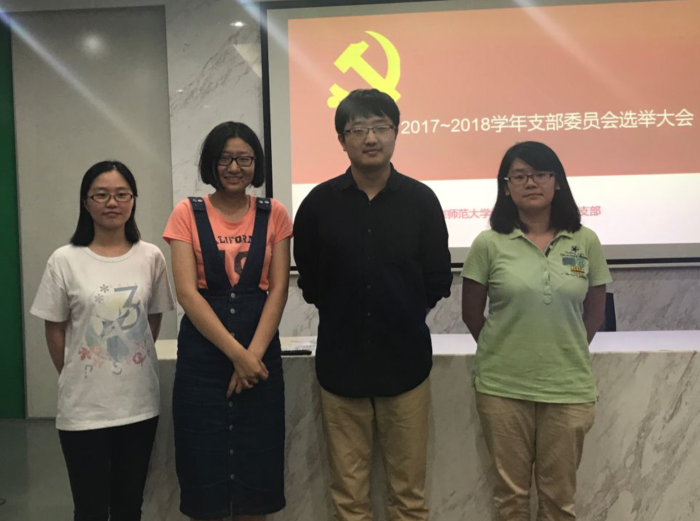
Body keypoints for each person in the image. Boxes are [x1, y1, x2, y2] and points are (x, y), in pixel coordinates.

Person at [293, 88, 452, 521]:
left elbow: (438, 277)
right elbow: (310, 279)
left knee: (408, 496)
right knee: (349, 497)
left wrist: (402, 310)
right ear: (341, 140)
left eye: (380, 127)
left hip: (405, 366)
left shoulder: (421, 201)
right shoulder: (318, 204)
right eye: (358, 129)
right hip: (341, 367)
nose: (370, 138)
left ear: (396, 133)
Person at [461, 141, 612, 521]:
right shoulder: (488, 243)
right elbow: (471, 314)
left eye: (540, 174)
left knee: (559, 501)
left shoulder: (585, 241)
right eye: (519, 176)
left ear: (557, 182)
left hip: (568, 388)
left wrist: (564, 347)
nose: (530, 183)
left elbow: (595, 314)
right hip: (502, 387)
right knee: (510, 499)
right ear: (505, 186)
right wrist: (506, 349)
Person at [30, 160, 176, 521]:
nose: (112, 202)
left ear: (133, 200)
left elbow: (152, 318)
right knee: (90, 508)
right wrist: (76, 371)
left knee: (129, 506)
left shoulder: (151, 257)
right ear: (85, 201)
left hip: (138, 404)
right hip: (83, 408)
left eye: (122, 194)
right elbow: (54, 329)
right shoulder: (64, 260)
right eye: (101, 195)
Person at [164, 121, 292, 521]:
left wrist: (253, 357)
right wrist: (239, 356)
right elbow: (187, 293)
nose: (234, 167)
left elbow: (278, 290)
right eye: (225, 159)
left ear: (256, 163)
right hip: (203, 363)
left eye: (244, 159)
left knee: (257, 477)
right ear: (211, 163)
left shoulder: (274, 213)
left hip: (260, 359)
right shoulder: (187, 212)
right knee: (204, 476)